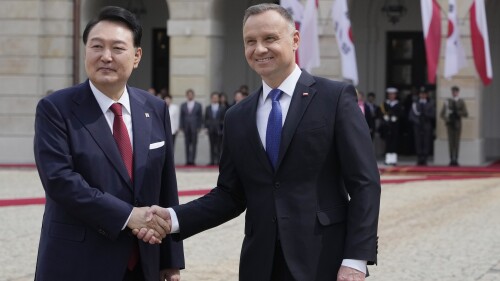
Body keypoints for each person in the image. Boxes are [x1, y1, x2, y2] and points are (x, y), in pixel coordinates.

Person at [135, 4, 380, 281]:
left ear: (295, 40)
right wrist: (173, 218)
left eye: (270, 38)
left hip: (325, 261)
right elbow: (230, 195)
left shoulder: (335, 98)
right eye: (250, 41)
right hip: (259, 264)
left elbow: (364, 183)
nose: (259, 49)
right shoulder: (237, 116)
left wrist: (356, 260)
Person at [32, 6, 184, 281]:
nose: (106, 56)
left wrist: (170, 260)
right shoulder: (56, 109)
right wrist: (128, 216)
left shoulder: (155, 108)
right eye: (97, 46)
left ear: (137, 56)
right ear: (86, 51)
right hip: (78, 262)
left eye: (117, 48)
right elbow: (60, 181)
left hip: (143, 262)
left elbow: (165, 187)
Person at [440, 85, 468, 166]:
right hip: (450, 124)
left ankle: (456, 158)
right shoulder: (447, 101)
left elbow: (466, 113)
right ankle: (451, 158)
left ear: (458, 92)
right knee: (451, 142)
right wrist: (447, 119)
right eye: (453, 91)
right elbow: (442, 114)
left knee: (457, 142)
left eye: (456, 91)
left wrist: (458, 113)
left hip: (457, 123)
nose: (454, 93)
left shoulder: (461, 102)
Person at [409, 86, 436, 166]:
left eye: (424, 94)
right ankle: (419, 157)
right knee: (418, 141)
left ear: (427, 95)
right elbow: (411, 115)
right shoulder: (415, 103)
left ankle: (425, 157)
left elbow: (433, 114)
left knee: (426, 141)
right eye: (421, 94)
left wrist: (426, 115)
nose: (423, 95)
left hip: (426, 124)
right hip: (417, 125)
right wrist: (417, 121)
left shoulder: (430, 103)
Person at [379, 87, 402, 165]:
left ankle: (394, 159)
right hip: (387, 125)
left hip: (395, 125)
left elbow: (401, 113)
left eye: (393, 94)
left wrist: (396, 117)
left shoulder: (398, 103)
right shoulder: (384, 103)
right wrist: (384, 117)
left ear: (395, 95)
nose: (391, 96)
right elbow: (381, 112)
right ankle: (388, 159)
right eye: (390, 94)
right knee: (388, 142)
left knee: (394, 142)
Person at [179, 88, 202, 165]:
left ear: (193, 95)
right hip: (186, 127)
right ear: (186, 96)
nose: (190, 96)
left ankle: (193, 160)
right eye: (188, 94)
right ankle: (187, 160)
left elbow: (200, 117)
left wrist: (199, 126)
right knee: (187, 144)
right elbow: (181, 116)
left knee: (194, 144)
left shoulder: (198, 105)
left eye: (191, 94)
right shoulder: (183, 105)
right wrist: (181, 126)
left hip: (195, 127)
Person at [204, 91, 226, 165]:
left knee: (219, 146)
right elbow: (206, 118)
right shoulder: (208, 108)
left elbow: (224, 119)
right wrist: (206, 127)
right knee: (212, 146)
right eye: (213, 98)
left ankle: (219, 161)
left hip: (219, 130)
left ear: (219, 99)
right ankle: (212, 161)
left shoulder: (222, 108)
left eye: (216, 98)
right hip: (211, 129)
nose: (215, 99)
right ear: (211, 99)